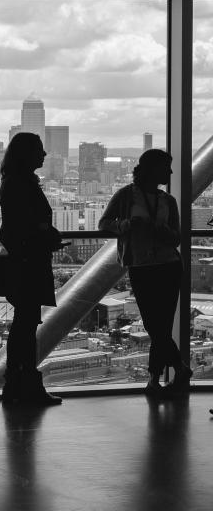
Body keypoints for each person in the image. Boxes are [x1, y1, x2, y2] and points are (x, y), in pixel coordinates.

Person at [98, 148, 191, 396]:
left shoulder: (168, 201)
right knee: (155, 325)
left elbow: (175, 238)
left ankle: (154, 380)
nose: (170, 172)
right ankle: (178, 369)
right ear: (152, 170)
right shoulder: (126, 196)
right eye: (165, 167)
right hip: (144, 266)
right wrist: (128, 225)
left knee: (159, 325)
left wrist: (158, 230)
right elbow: (104, 223)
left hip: (166, 265)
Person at [0, 132, 64, 406]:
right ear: (27, 154)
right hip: (26, 262)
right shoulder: (22, 183)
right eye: (40, 150)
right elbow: (27, 223)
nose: (44, 155)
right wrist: (46, 233)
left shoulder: (13, 182)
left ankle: (17, 383)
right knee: (26, 325)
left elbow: (19, 223)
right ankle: (25, 383)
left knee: (24, 324)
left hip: (19, 261)